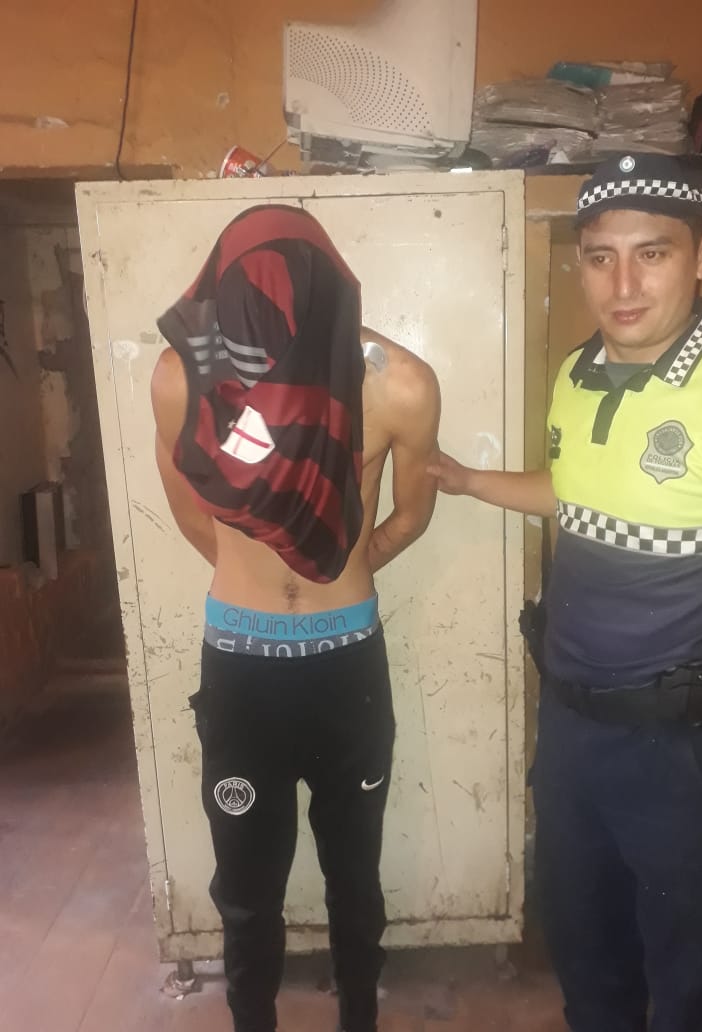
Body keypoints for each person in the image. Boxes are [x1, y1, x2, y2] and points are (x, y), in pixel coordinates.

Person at [430, 153, 702, 1032]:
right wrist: (469, 482)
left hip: (688, 750)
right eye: (599, 257)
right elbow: (576, 491)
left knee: (689, 983)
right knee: (586, 965)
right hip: (575, 733)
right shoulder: (579, 373)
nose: (622, 285)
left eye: (651, 253)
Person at [150, 204, 441, 1032]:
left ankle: (359, 1018)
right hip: (240, 666)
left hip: (346, 663)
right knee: (245, 889)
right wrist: (264, 584)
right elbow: (191, 514)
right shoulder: (181, 377)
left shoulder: (397, 381)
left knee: (355, 876)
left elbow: (412, 516)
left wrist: (340, 569)